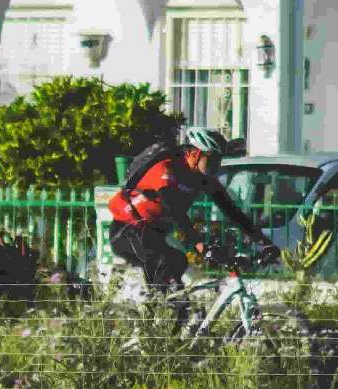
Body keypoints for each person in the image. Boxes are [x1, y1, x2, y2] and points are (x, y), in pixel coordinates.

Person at [107, 125, 279, 292]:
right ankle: (160, 313)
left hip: (153, 234)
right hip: (127, 230)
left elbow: (233, 212)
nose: (216, 167)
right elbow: (173, 209)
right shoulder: (166, 167)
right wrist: (200, 245)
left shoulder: (202, 179)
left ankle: (164, 312)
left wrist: (263, 242)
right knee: (167, 262)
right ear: (194, 153)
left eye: (218, 161)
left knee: (177, 265)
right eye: (212, 160)